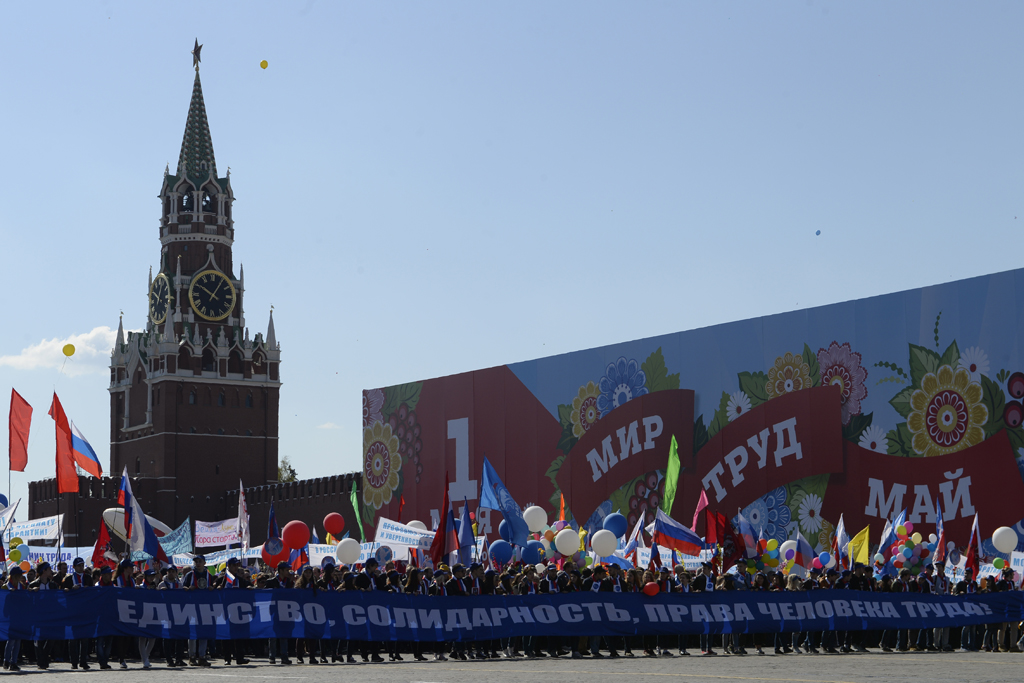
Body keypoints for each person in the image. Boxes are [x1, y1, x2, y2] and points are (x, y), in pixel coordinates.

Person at [62, 557, 94, 670]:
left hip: (85, 611)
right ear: (74, 567)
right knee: (73, 638)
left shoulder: (88, 577)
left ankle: (83, 661)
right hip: (73, 611)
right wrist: (70, 589)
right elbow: (64, 591)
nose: (81, 567)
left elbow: (93, 592)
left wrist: (88, 589)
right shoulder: (69, 578)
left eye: (82, 565)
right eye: (79, 565)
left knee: (84, 638)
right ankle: (74, 661)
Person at [183, 555, 213, 666]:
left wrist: (212, 588)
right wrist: (187, 589)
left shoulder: (209, 575)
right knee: (193, 633)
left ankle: (202, 656)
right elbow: (183, 588)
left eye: (200, 561)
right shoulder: (190, 575)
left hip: (205, 607)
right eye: (196, 562)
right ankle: (191, 656)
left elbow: (212, 588)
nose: (198, 563)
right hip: (192, 606)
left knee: (203, 632)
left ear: (204, 563)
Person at [220, 558, 252, 665]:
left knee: (238, 634)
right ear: (228, 566)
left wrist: (249, 587)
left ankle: (239, 657)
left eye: (237, 565)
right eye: (233, 565)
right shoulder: (222, 579)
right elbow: (213, 588)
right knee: (227, 635)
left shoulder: (239, 580)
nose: (235, 567)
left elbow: (248, 586)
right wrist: (217, 588)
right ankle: (227, 658)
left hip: (237, 611)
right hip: (225, 611)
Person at [158, 565, 187, 667]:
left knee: (179, 636)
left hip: (178, 613)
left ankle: (179, 658)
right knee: (167, 637)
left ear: (175, 573)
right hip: (166, 613)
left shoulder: (178, 584)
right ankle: (169, 659)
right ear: (167, 573)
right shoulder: (162, 584)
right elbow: (157, 598)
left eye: (173, 572)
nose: (171, 573)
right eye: (169, 571)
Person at [265, 561, 293, 665]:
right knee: (273, 635)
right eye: (286, 570)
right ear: (280, 570)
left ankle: (284, 656)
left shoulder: (288, 582)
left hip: (285, 610)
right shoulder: (271, 581)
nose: (288, 572)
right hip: (274, 611)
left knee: (284, 634)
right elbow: (264, 595)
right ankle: (272, 656)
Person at [3, 567, 27, 671]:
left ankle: (14, 662)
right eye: (20, 574)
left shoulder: (22, 586)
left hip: (20, 617)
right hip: (10, 617)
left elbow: (26, 599)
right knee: (11, 640)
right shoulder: (5, 587)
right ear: (15, 576)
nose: (22, 576)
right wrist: (10, 594)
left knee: (18, 640)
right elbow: (2, 601)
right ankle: (6, 660)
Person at [693, 563, 717, 655]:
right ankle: (703, 648)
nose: (703, 570)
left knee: (710, 627)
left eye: (705, 568)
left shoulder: (713, 577)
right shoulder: (699, 578)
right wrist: (696, 591)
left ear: (710, 569)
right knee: (704, 627)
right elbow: (693, 587)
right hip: (702, 604)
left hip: (711, 604)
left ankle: (709, 648)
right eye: (703, 568)